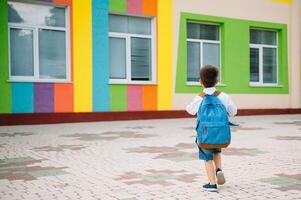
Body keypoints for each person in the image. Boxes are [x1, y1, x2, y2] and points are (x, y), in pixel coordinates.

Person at [186, 65, 237, 192]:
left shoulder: (200, 97)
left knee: (207, 157)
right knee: (216, 151)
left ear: (200, 82)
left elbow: (190, 110)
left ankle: (212, 183)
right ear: (217, 81)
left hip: (205, 133)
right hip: (219, 132)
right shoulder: (223, 96)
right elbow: (233, 111)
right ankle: (219, 170)